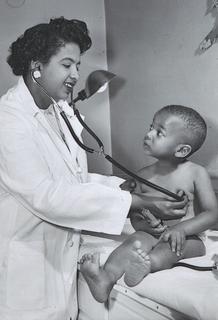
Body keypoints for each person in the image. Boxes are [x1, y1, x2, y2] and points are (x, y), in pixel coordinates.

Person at [0, 18, 188, 320]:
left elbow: (72, 179)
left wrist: (121, 189)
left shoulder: (56, 110)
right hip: (29, 262)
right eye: (67, 65)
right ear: (36, 66)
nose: (76, 74)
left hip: (59, 257)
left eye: (77, 65)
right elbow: (45, 195)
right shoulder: (9, 120)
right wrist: (132, 203)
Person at [80, 105, 218, 303]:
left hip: (190, 239)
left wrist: (181, 229)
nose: (149, 134)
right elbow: (136, 218)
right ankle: (105, 279)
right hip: (151, 235)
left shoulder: (196, 173)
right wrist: (145, 224)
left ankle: (147, 264)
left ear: (181, 150)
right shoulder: (143, 175)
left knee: (171, 250)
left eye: (159, 132)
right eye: (150, 127)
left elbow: (212, 214)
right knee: (133, 242)